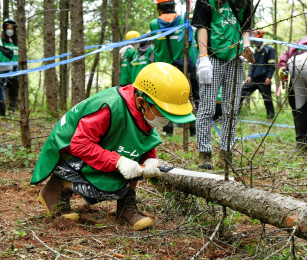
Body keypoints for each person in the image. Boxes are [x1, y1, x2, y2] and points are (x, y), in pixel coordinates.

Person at [30, 63, 195, 231]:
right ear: (142, 101)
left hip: (92, 147)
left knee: (130, 165)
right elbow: (80, 144)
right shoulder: (110, 106)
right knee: (110, 187)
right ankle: (58, 187)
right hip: (66, 153)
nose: (167, 120)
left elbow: (139, 140)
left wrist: (150, 158)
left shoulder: (142, 109)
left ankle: (125, 206)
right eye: (164, 113)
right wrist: (118, 162)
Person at [192, 0, 253, 169]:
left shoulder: (245, 1)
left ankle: (226, 152)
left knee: (231, 109)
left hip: (235, 60)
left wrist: (246, 47)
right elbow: (202, 26)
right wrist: (203, 57)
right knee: (207, 108)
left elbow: (245, 27)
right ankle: (204, 153)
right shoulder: (206, 1)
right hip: (212, 58)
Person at [150, 0, 197, 137]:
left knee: (165, 98)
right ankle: (193, 131)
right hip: (184, 66)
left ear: (159, 8)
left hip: (164, 69)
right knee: (189, 97)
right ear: (173, 6)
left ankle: (167, 131)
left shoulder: (154, 24)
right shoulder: (184, 19)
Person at [241, 30, 276, 119]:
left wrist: (269, 76)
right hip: (254, 79)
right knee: (241, 92)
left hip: (264, 79)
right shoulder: (255, 51)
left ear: (261, 38)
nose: (256, 42)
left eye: (257, 39)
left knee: (267, 99)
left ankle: (270, 117)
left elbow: (272, 65)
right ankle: (235, 113)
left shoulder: (269, 49)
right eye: (254, 40)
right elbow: (253, 65)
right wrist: (249, 75)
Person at [0, 18, 18, 117]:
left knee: (14, 91)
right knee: (1, 90)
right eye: (8, 28)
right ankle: (2, 113)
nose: (10, 30)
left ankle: (12, 112)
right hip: (3, 70)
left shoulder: (17, 42)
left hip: (15, 70)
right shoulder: (1, 41)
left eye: (12, 28)